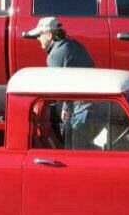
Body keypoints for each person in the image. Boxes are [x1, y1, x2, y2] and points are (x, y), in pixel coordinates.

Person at [25, 16, 99, 148]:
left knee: (73, 152)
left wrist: (65, 108)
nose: (37, 38)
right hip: (93, 105)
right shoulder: (72, 44)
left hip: (80, 109)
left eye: (39, 35)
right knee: (86, 148)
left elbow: (59, 87)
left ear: (49, 34)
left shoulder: (55, 55)